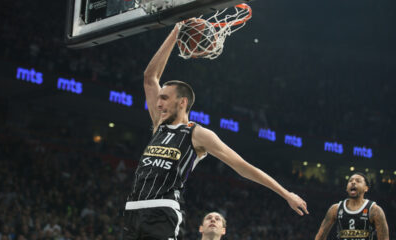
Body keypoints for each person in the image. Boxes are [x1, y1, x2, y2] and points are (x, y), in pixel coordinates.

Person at [123, 23, 309, 240]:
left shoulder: (198, 134)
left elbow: (242, 166)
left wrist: (286, 194)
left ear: (182, 102)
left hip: (161, 211)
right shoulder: (160, 124)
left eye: (165, 98)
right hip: (132, 210)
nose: (158, 103)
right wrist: (176, 32)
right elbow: (149, 77)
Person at [314, 173, 389, 240]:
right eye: (350, 181)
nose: (353, 182)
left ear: (366, 188)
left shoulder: (375, 210)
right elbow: (320, 236)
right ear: (346, 188)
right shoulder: (335, 209)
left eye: (358, 181)